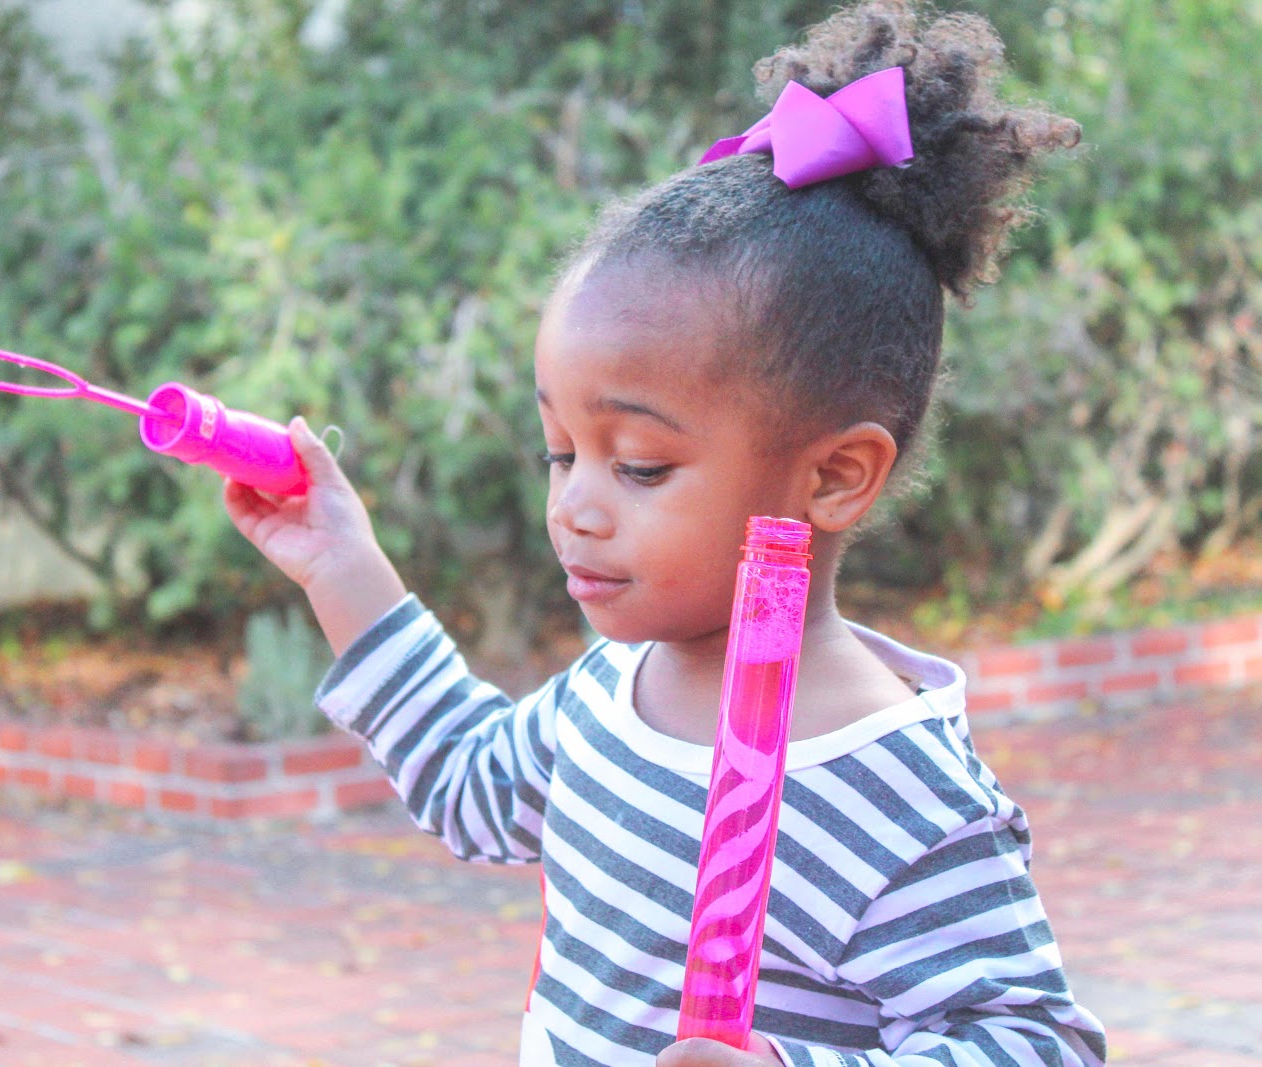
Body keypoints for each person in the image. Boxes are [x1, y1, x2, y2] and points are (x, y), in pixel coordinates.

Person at [222, 1, 1107, 1064]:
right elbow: (467, 781)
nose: (573, 506)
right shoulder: (611, 688)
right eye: (561, 452)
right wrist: (341, 563)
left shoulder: (900, 791)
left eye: (639, 465)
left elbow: (1034, 1040)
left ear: (834, 476)